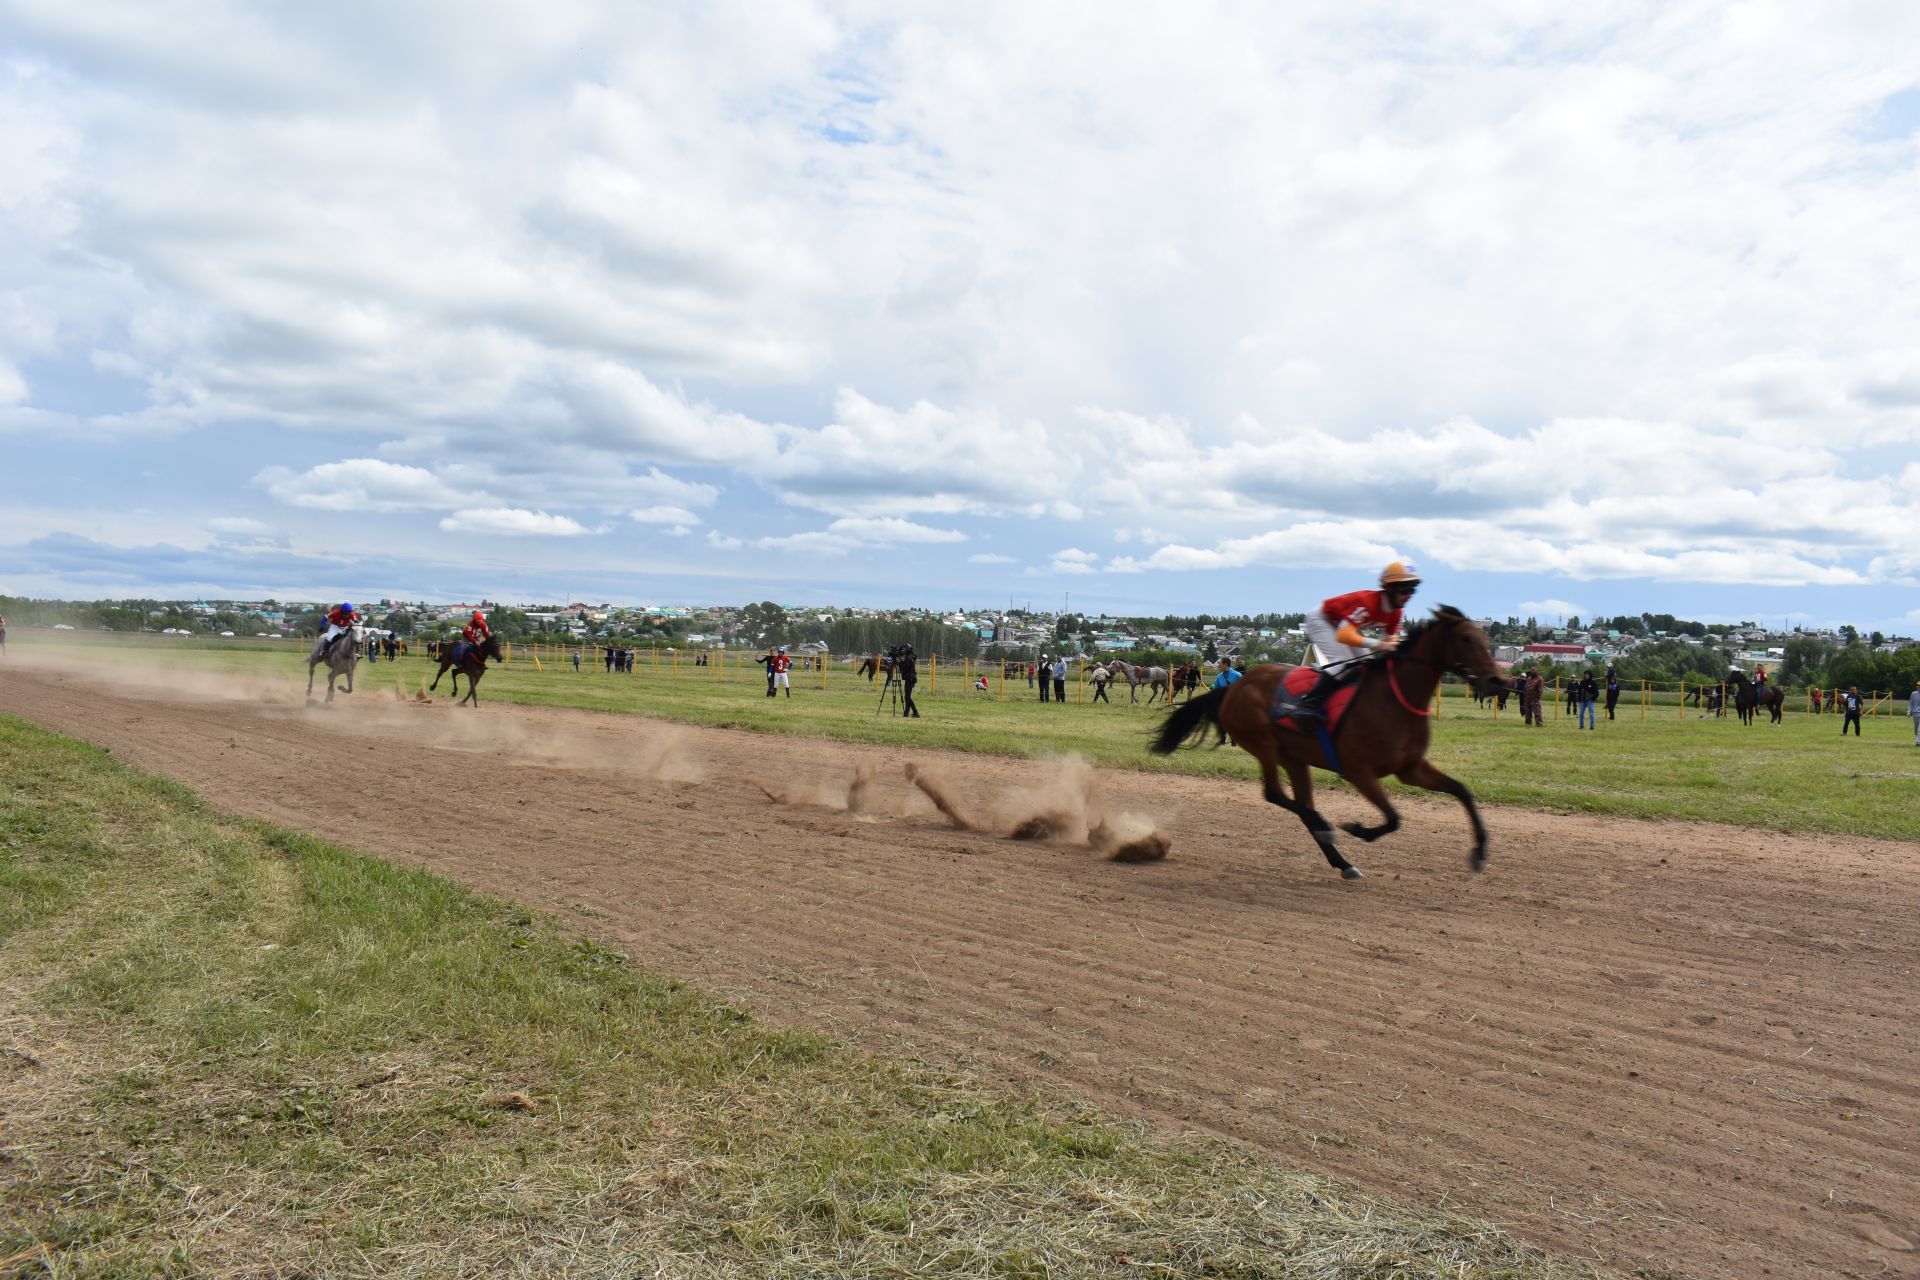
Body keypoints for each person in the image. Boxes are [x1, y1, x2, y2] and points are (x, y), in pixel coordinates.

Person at [1278, 561, 1421, 724]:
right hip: (1320, 619)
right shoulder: (1368, 602)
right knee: (1341, 664)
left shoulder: (1396, 613)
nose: (1409, 595)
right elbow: (1344, 636)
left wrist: (1399, 646)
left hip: (1339, 624)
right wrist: (1381, 645)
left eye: (1412, 590)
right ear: (1390, 589)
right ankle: (1307, 705)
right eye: (1405, 590)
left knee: (1365, 663)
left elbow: (1391, 640)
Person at [897, 644, 921, 718]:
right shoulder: (910, 657)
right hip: (910, 678)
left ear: (907, 650)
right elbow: (905, 665)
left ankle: (916, 712)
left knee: (907, 697)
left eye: (904, 649)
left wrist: (899, 662)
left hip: (910, 679)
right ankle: (906, 713)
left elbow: (904, 668)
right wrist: (900, 661)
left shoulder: (909, 658)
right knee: (907, 697)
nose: (903, 651)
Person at [1909, 679, 1920, 746]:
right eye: (1918, 685)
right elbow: (1910, 703)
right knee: (1916, 727)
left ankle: (1918, 742)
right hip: (1915, 713)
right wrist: (1908, 711)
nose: (1918, 686)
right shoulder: (1913, 694)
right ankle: (1917, 739)